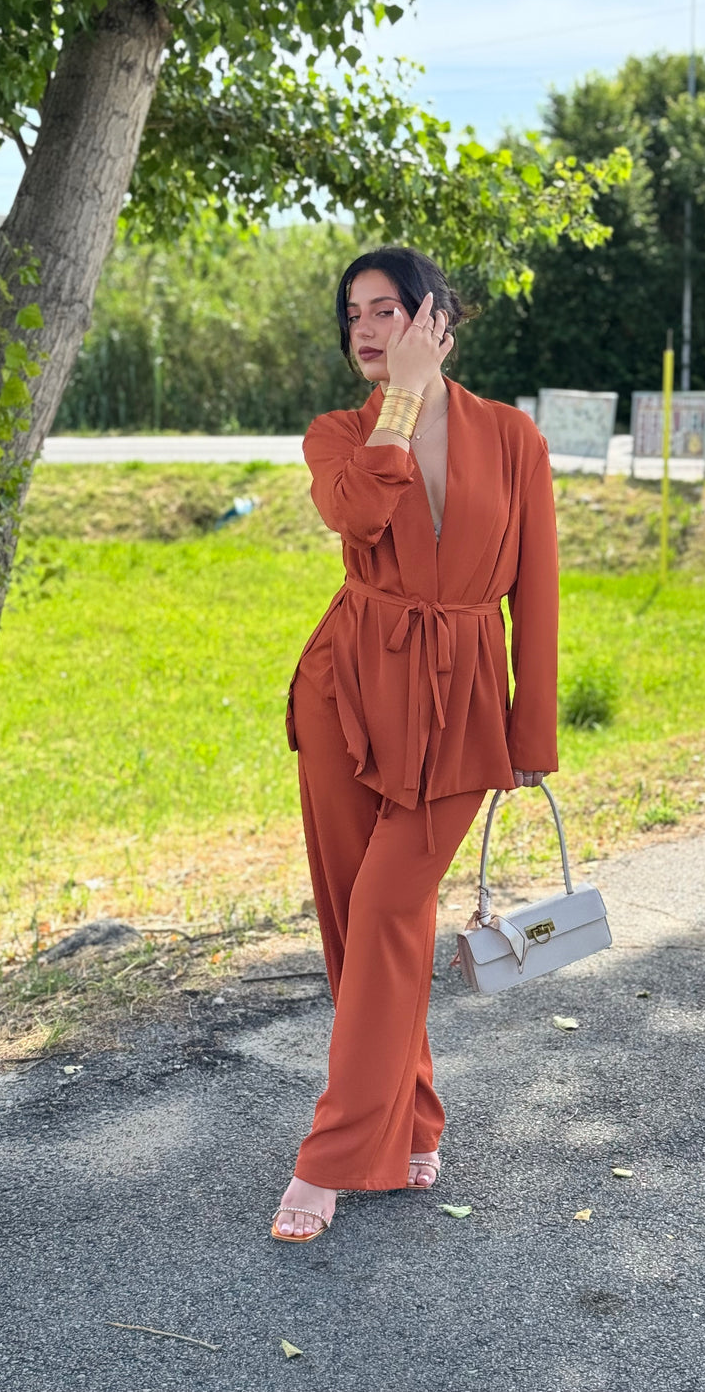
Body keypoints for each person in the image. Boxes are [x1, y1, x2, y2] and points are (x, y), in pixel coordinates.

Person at [273, 246, 559, 1242]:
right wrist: (396, 405)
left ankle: (330, 1156)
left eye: (384, 310)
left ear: (435, 320)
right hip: (345, 693)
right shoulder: (338, 435)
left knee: (390, 907)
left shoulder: (512, 436)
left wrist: (531, 727)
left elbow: (537, 587)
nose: (362, 328)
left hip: (461, 701)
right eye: (350, 313)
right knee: (358, 929)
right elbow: (354, 513)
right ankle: (414, 1117)